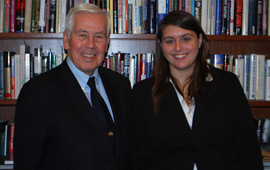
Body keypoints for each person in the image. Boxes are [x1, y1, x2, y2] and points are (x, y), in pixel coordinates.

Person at [131, 10, 263, 170]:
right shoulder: (143, 92)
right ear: (161, 45)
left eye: (186, 39)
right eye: (170, 41)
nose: (178, 48)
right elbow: (138, 158)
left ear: (200, 40)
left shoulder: (228, 84)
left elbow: (249, 149)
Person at [14, 3, 131, 170]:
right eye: (82, 35)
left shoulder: (121, 85)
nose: (91, 44)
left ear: (107, 43)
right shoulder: (37, 93)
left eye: (99, 36)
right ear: (66, 40)